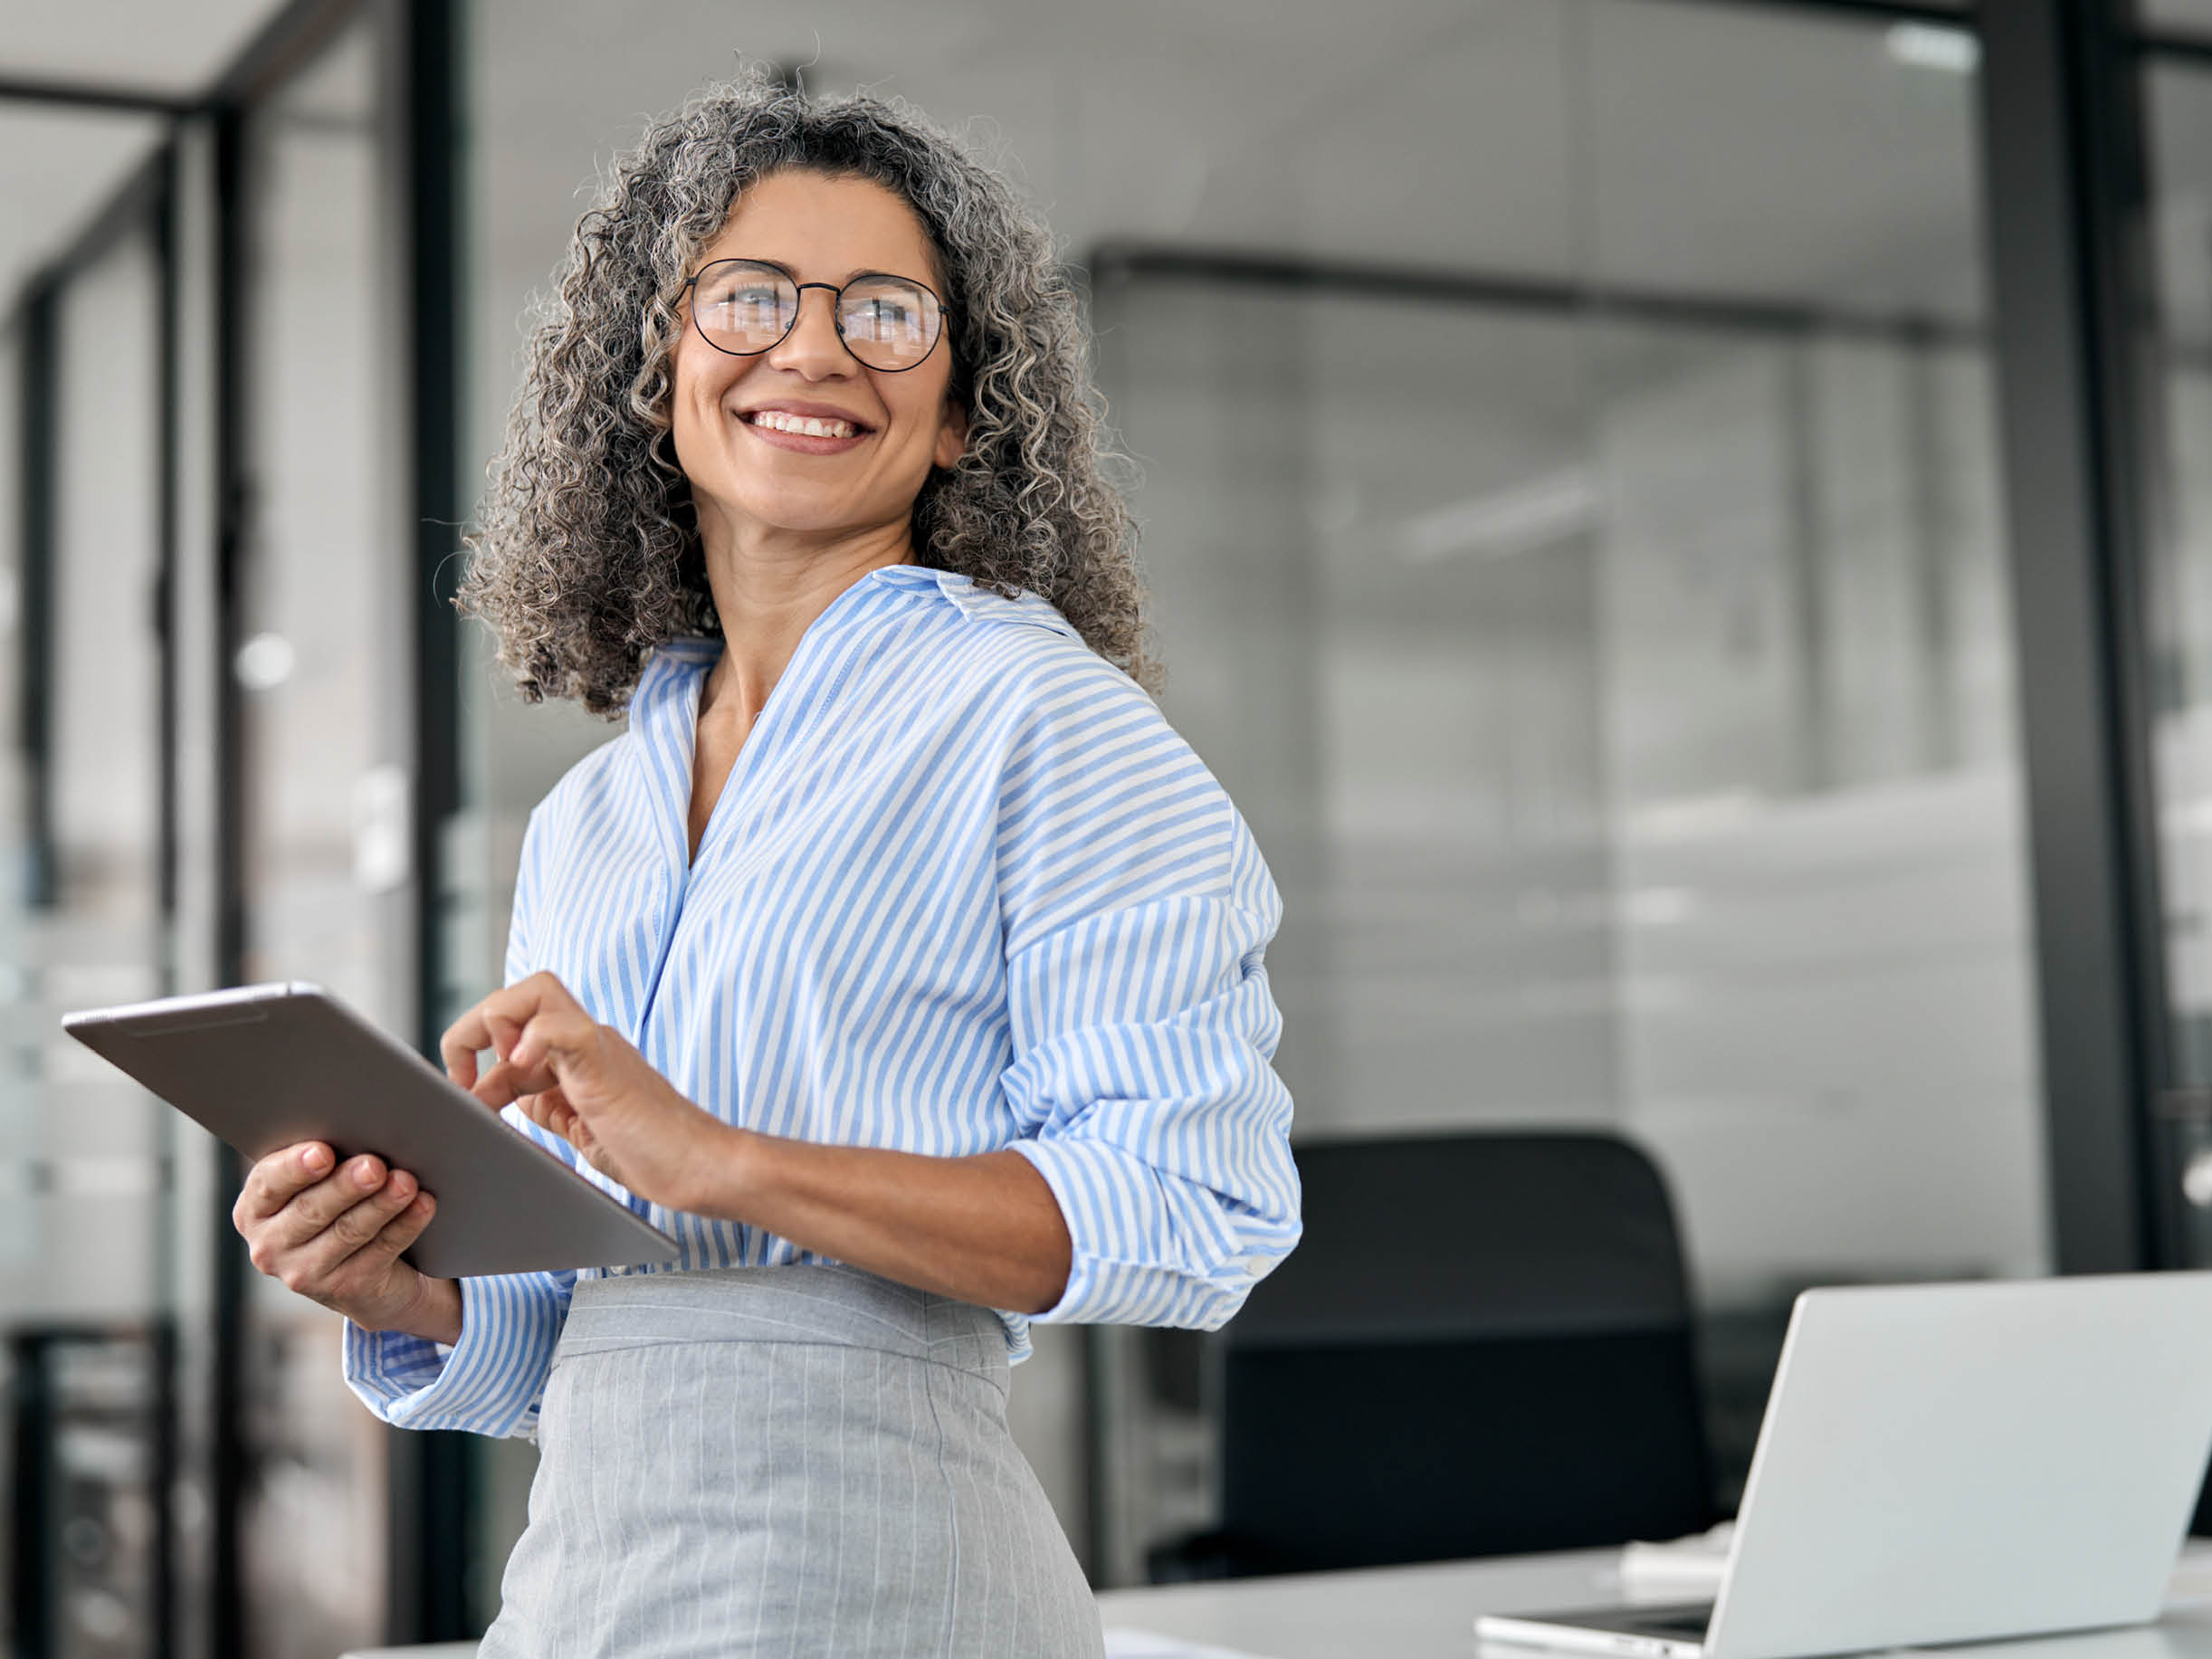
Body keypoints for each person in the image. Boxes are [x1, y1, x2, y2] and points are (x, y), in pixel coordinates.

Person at [229, 72, 1300, 1656]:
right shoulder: (593, 814)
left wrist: (723, 1156)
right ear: (655, 367)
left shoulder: (1040, 716)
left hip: (889, 1582)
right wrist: (407, 1287)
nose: (812, 348)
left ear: (960, 412)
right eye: (751, 296)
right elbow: (591, 1334)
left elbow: (1195, 1203)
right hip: (590, 1592)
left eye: (885, 312)